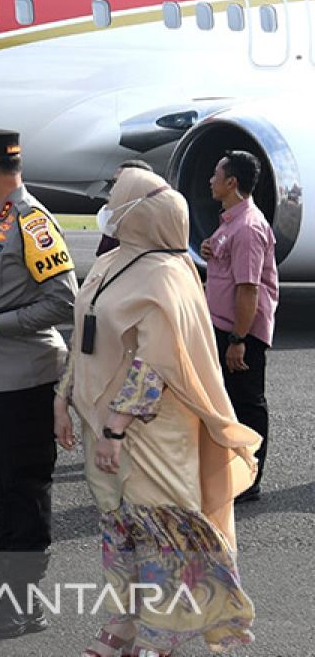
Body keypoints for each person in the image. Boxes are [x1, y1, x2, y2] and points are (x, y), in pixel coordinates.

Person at [54, 168, 259, 657]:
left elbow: (156, 363)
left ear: (142, 215)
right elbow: (85, 337)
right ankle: (125, 618)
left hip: (147, 432)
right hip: (97, 425)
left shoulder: (168, 275)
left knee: (160, 531)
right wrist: (62, 398)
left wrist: (116, 427)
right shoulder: (110, 263)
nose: (110, 210)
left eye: (118, 202)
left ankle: (161, 632)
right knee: (117, 526)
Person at [0, 129, 77, 638]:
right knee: (3, 489)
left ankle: (25, 603)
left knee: (23, 490)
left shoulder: (32, 222)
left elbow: (64, 300)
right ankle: (7, 588)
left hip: (21, 381)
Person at [201, 150, 278, 504]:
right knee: (227, 401)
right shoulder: (230, 220)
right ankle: (232, 469)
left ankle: (250, 479)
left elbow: (249, 289)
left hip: (239, 331)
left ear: (232, 182)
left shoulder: (248, 227)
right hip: (223, 325)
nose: (210, 180)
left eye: (216, 174)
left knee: (246, 403)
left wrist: (238, 340)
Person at [96, 158, 154, 256]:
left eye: (121, 182)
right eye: (114, 182)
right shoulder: (116, 222)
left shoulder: (153, 231)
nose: (113, 189)